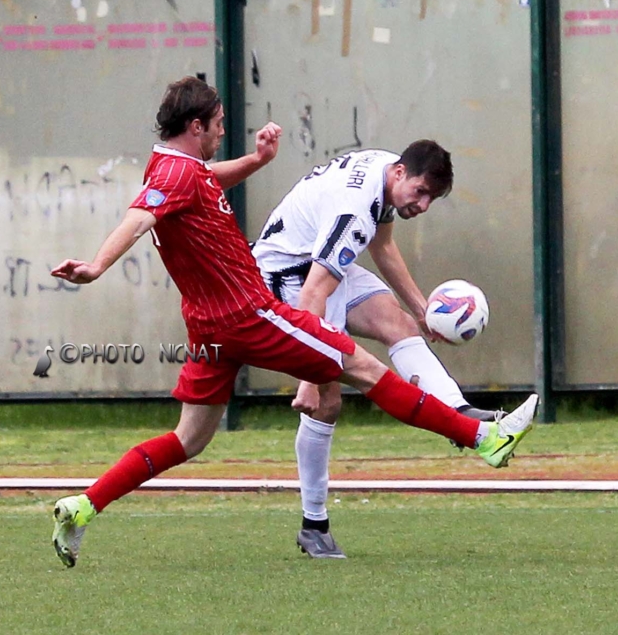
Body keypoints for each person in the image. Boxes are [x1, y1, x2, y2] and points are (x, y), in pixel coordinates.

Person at [48, 76, 538, 568]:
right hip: (251, 313)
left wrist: (257, 161)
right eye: (218, 124)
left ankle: (84, 506)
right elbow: (140, 217)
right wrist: (96, 266)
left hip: (207, 324)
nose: (222, 132)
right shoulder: (180, 177)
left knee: (188, 439)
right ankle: (483, 438)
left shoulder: (173, 166)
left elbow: (205, 179)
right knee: (365, 370)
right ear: (196, 127)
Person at [253, 141, 509, 559]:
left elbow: (383, 247)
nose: (423, 205)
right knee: (327, 401)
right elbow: (314, 293)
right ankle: (314, 525)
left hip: (315, 265)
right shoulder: (354, 210)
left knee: (401, 324)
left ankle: (458, 413)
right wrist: (308, 379)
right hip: (286, 277)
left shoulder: (385, 171)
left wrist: (422, 310)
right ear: (400, 173)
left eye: (431, 198)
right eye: (420, 192)